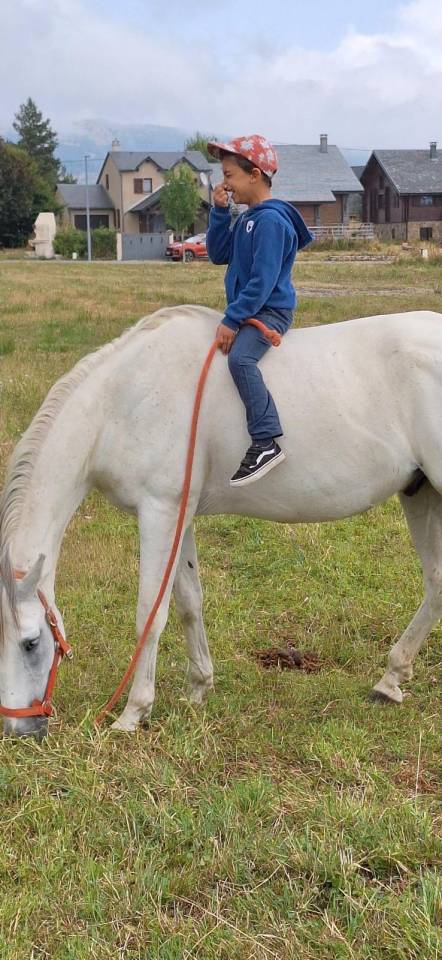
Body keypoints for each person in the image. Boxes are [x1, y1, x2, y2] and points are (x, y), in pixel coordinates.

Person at [206, 134, 313, 486]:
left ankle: (266, 439)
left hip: (269, 311)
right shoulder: (249, 218)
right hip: (254, 307)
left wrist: (233, 319)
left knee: (240, 360)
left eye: (230, 176)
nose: (226, 184)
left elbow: (262, 281)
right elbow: (219, 254)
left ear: (254, 175)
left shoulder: (270, 222)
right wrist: (220, 212)